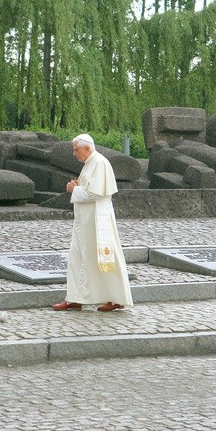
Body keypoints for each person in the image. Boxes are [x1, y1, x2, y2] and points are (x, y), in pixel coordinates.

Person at [52, 134, 133, 312]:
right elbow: (89, 187)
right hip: (85, 221)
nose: (74, 154)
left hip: (97, 221)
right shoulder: (90, 163)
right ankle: (75, 297)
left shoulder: (100, 163)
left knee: (104, 258)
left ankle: (115, 298)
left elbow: (95, 193)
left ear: (87, 148)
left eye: (76, 150)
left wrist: (75, 189)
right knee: (77, 258)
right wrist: (77, 186)